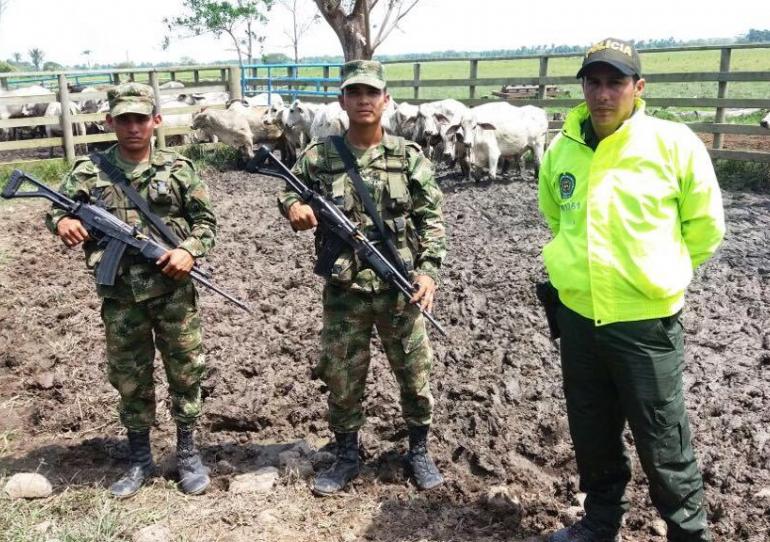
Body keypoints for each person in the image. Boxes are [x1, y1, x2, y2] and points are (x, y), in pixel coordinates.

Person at [537, 38, 725, 542]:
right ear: (582, 87)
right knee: (591, 430)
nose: (603, 93)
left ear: (638, 88)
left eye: (615, 82)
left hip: (644, 323)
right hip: (577, 317)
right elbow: (556, 217)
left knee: (662, 436)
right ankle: (600, 522)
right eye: (593, 82)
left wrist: (658, 274)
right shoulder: (562, 149)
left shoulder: (672, 144)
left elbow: (705, 228)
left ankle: (688, 533)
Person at [278, 60, 448, 496]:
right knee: (342, 375)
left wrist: (428, 273)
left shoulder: (408, 157)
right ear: (342, 101)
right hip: (344, 289)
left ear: (385, 100)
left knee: (414, 372)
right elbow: (287, 190)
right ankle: (347, 455)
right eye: (355, 93)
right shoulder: (320, 156)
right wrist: (293, 209)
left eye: (372, 93)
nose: (364, 101)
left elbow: (432, 219)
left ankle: (418, 450)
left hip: (399, 287)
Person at [45, 83, 217, 498]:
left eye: (141, 118)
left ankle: (188, 454)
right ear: (110, 122)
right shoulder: (90, 172)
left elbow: (207, 225)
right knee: (130, 378)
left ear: (155, 121)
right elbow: (56, 208)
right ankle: (139, 458)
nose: (133, 127)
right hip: (120, 297)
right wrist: (61, 223)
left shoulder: (180, 169)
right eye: (124, 119)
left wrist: (188, 252)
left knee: (186, 372)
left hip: (173, 292)